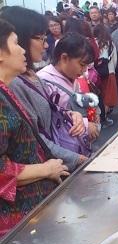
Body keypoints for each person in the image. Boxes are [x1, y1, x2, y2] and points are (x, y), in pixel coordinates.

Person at [0, 19, 69, 237]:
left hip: (35, 210)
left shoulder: (5, 90)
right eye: (16, 43)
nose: (22, 50)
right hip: (17, 224)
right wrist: (46, 169)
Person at [1, 6, 88, 172]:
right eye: (41, 38)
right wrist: (75, 159)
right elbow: (34, 136)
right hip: (46, 169)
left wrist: (70, 114)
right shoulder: (12, 84)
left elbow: (50, 111)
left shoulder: (32, 75)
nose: (46, 45)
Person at [38, 33, 100, 143]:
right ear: (64, 58)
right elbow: (48, 124)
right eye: (81, 64)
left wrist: (93, 113)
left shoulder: (71, 77)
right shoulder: (44, 82)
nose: (84, 70)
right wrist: (86, 126)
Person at [94, 23, 118, 126]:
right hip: (109, 72)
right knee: (107, 97)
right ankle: (104, 118)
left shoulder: (94, 43)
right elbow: (115, 59)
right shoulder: (110, 43)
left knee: (100, 96)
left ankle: (100, 117)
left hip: (96, 74)